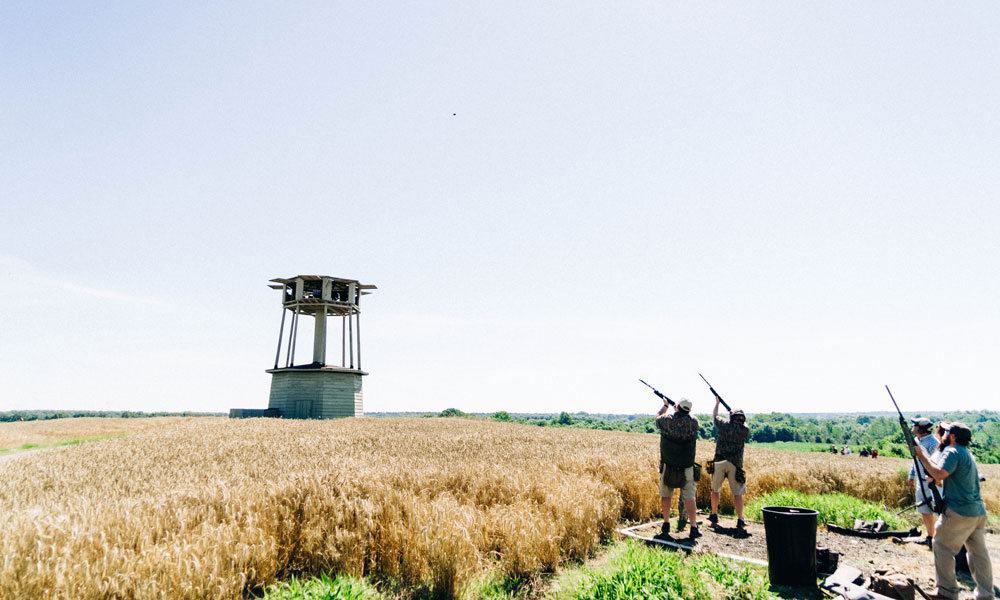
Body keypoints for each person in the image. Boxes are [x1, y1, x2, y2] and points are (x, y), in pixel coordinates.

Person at [915, 422, 993, 600]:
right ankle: (985, 595)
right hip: (977, 511)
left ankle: (947, 592)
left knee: (941, 545)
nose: (942, 432)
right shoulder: (967, 453)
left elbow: (939, 473)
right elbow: (950, 480)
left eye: (946, 431)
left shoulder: (952, 451)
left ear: (952, 436)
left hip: (959, 512)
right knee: (978, 553)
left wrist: (921, 454)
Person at [655, 398, 700, 539]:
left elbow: (657, 418)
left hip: (668, 465)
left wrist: (665, 406)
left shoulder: (666, 419)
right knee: (689, 497)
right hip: (686, 466)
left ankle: (666, 524)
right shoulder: (694, 422)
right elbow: (687, 419)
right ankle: (693, 528)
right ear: (689, 410)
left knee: (666, 495)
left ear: (677, 407)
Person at [707, 399, 750, 529]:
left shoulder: (724, 424)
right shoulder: (744, 430)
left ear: (732, 417)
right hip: (735, 464)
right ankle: (740, 519)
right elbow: (745, 425)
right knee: (737, 493)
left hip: (719, 461)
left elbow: (714, 416)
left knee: (715, 490)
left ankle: (714, 514)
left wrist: (717, 403)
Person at [909, 417, 940, 543]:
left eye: (915, 424)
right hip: (921, 481)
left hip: (930, 482)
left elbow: (936, 463)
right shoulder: (917, 440)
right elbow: (916, 460)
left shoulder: (933, 443)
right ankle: (930, 536)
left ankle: (940, 538)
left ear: (920, 428)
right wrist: (912, 476)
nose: (913, 426)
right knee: (924, 510)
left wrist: (932, 479)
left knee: (936, 509)